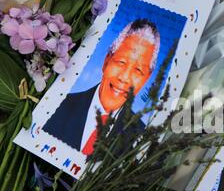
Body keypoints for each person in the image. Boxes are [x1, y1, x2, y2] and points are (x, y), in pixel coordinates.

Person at [43, 19, 160, 155]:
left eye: (138, 70)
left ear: (146, 78)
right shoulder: (58, 105)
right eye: (121, 62)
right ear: (106, 61)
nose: (124, 77)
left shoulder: (140, 139)